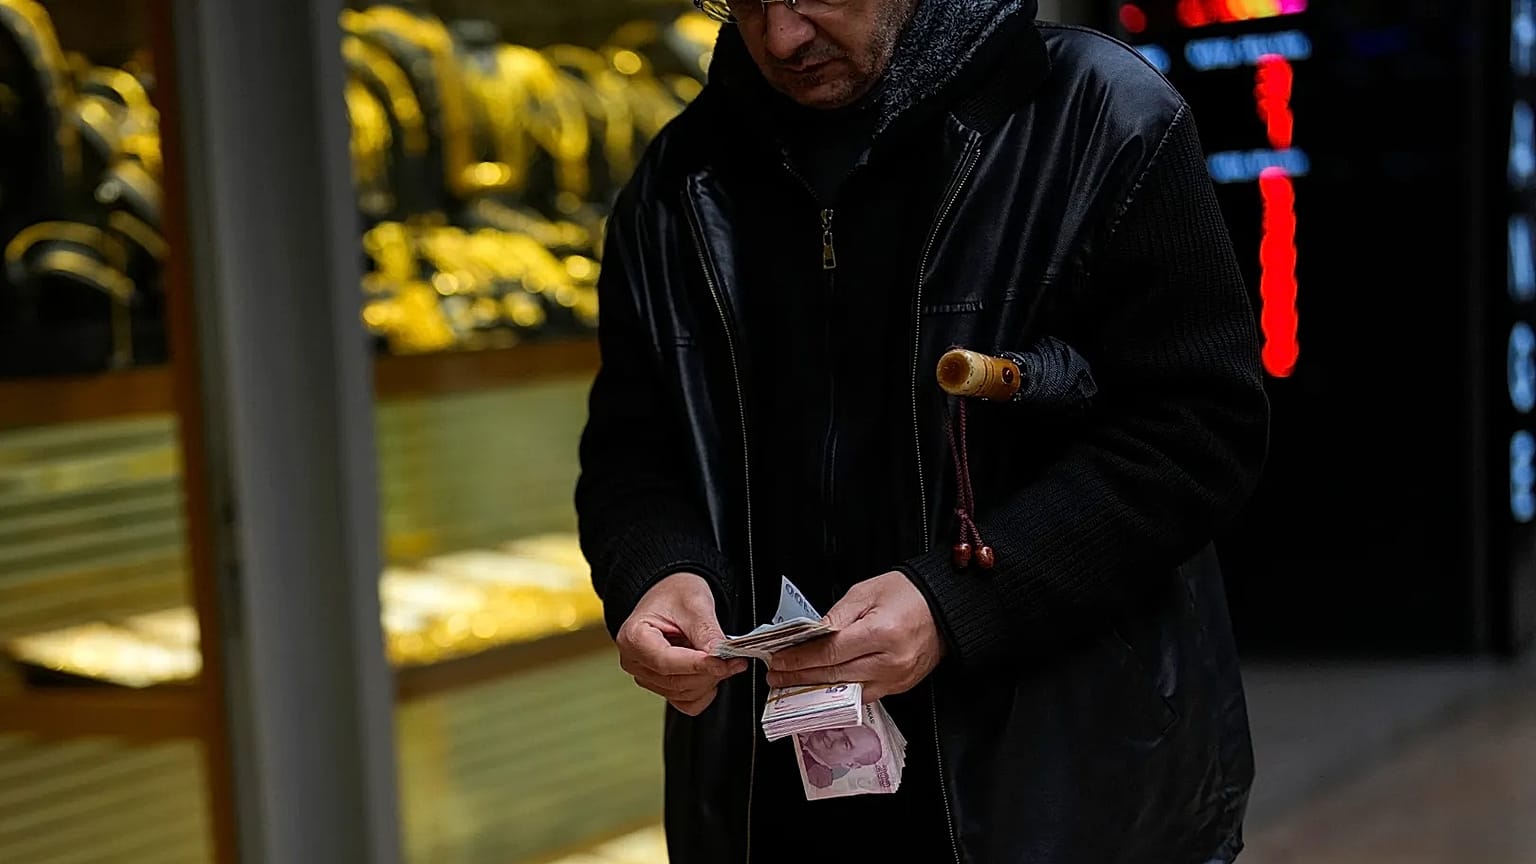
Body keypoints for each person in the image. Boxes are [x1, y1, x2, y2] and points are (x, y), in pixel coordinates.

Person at [574, 0, 1270, 860]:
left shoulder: (1101, 117)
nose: (780, 38)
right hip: (771, 802)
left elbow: (1198, 430)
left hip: (1067, 790)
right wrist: (659, 569)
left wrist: (958, 601)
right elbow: (631, 453)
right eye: (742, 3)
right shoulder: (678, 183)